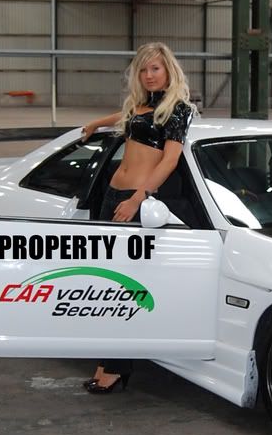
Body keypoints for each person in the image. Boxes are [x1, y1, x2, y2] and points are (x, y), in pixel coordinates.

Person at [79, 42, 196, 394]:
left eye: (155, 68)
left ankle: (115, 366)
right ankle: (108, 360)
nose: (148, 75)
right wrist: (96, 123)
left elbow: (169, 161)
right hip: (111, 195)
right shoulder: (139, 105)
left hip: (134, 199)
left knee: (122, 287)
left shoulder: (178, 109)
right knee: (105, 282)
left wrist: (138, 198)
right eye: (143, 70)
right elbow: (125, 118)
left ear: (168, 70)